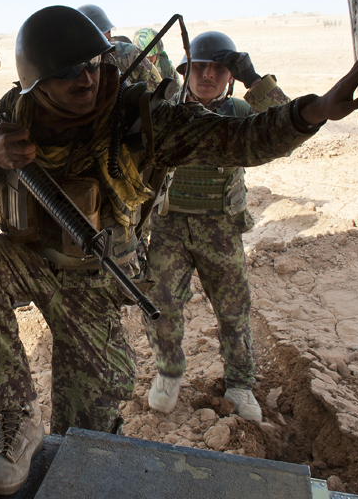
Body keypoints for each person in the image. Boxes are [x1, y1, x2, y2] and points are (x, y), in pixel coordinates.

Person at [0, 5, 358, 495]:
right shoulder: (13, 114)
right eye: (67, 72)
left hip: (97, 277)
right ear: (36, 83)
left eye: (93, 63)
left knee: (83, 435)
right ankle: (17, 415)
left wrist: (314, 111)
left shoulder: (142, 119)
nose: (86, 78)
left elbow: (242, 139)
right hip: (29, 262)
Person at [142, 31, 291, 423]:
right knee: (160, 307)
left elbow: (287, 129)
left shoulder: (240, 113)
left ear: (229, 75)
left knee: (233, 311)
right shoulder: (165, 111)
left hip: (219, 229)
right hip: (169, 228)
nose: (208, 75)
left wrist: (253, 78)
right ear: (185, 70)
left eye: (219, 68)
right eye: (200, 67)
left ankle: (240, 384)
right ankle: (169, 373)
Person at [77, 4, 159, 89]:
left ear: (107, 34)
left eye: (96, 35)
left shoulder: (128, 54)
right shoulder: (72, 67)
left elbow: (155, 92)